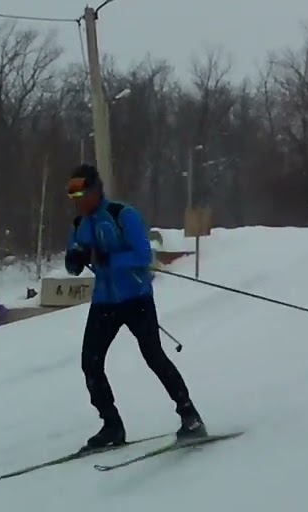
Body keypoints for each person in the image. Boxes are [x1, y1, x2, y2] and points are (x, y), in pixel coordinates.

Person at [65, 163, 206, 450]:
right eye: (72, 198)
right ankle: (111, 426)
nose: (77, 203)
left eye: (81, 196)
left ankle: (190, 415)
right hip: (104, 301)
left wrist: (110, 260)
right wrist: (75, 259)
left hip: (136, 297)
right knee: (90, 362)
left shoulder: (121, 215)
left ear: (95, 191)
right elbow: (73, 264)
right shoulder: (80, 224)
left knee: (153, 356)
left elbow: (143, 255)